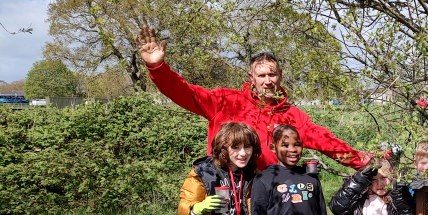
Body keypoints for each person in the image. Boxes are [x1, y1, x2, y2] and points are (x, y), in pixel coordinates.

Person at [135, 25, 367, 170]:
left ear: (280, 76)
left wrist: (363, 162)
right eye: (262, 75)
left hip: (270, 198)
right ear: (252, 77)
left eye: (272, 74)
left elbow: (325, 140)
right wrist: (157, 67)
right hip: (227, 192)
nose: (267, 80)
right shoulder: (225, 101)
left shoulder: (292, 115)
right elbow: (183, 92)